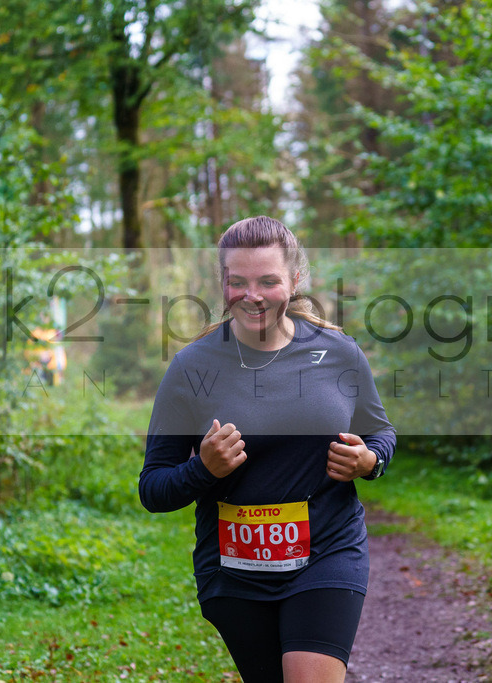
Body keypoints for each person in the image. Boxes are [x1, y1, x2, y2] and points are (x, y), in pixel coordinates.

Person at [139, 216, 396, 683]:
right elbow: (153, 489)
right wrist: (203, 469)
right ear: (222, 283)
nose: (252, 295)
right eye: (237, 282)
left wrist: (370, 461)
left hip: (327, 551)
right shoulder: (192, 367)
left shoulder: (338, 352)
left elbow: (380, 431)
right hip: (234, 570)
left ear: (295, 280)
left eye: (268, 280)